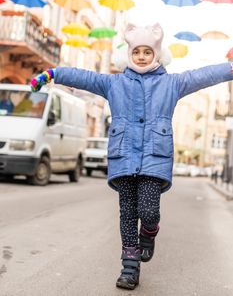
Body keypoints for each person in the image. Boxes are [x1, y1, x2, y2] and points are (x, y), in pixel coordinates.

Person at [30, 23, 233, 290]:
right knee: (127, 213)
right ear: (129, 54)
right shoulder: (114, 83)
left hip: (154, 158)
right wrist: (52, 74)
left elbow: (201, 75)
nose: (141, 56)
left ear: (156, 55)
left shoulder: (171, 83)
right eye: (136, 51)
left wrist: (229, 70)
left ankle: (150, 231)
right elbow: (83, 77)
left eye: (147, 52)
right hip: (123, 157)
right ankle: (129, 267)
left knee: (148, 211)